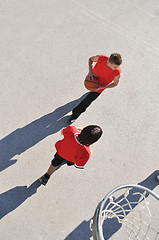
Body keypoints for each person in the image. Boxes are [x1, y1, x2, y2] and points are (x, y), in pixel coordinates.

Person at [70, 53, 122, 122]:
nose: (117, 68)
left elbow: (115, 84)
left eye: (117, 66)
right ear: (109, 62)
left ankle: (75, 114)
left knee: (87, 101)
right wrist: (90, 71)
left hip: (99, 87)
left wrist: (102, 87)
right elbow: (90, 59)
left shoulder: (117, 73)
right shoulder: (101, 58)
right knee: (89, 92)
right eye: (115, 66)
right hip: (92, 80)